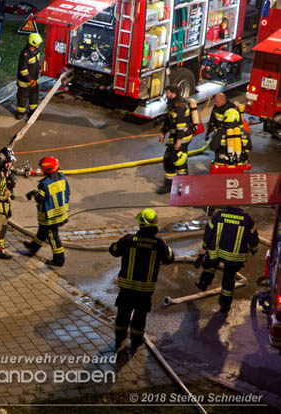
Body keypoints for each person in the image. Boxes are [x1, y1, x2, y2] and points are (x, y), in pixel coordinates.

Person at [109, 209, 174, 351]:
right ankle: (136, 341)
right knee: (140, 315)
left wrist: (120, 243)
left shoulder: (128, 239)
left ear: (140, 223)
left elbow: (113, 250)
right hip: (145, 290)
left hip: (126, 288)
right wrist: (166, 246)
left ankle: (119, 338)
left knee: (123, 313)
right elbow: (170, 258)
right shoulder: (158, 243)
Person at [195, 206, 258, 313]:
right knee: (228, 279)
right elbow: (253, 239)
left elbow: (208, 232)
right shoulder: (247, 220)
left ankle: (203, 283)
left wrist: (205, 246)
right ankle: (224, 305)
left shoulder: (218, 215)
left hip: (217, 251)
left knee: (211, 265)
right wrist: (253, 250)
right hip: (235, 257)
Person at [23, 156, 70, 267]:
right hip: (60, 213)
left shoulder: (44, 184)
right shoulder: (62, 177)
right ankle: (34, 247)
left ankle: (59, 260)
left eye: (42, 168)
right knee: (42, 231)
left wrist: (34, 193)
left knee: (53, 237)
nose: (41, 170)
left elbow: (40, 199)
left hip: (50, 216)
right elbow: (68, 192)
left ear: (48, 169)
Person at [157, 85, 193, 194]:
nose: (166, 95)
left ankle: (180, 188)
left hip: (182, 138)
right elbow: (169, 120)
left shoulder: (179, 106)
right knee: (173, 160)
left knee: (177, 161)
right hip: (176, 137)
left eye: (167, 93)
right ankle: (174, 185)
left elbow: (180, 126)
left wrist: (178, 142)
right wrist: (163, 132)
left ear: (173, 93)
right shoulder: (172, 104)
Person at [16, 33, 43, 120]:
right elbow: (23, 71)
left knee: (34, 96)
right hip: (25, 82)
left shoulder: (36, 51)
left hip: (34, 80)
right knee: (23, 96)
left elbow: (37, 62)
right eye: (38, 43)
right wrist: (30, 80)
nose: (39, 45)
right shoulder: (25, 55)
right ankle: (21, 112)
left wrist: (39, 69)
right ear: (33, 43)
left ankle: (32, 111)